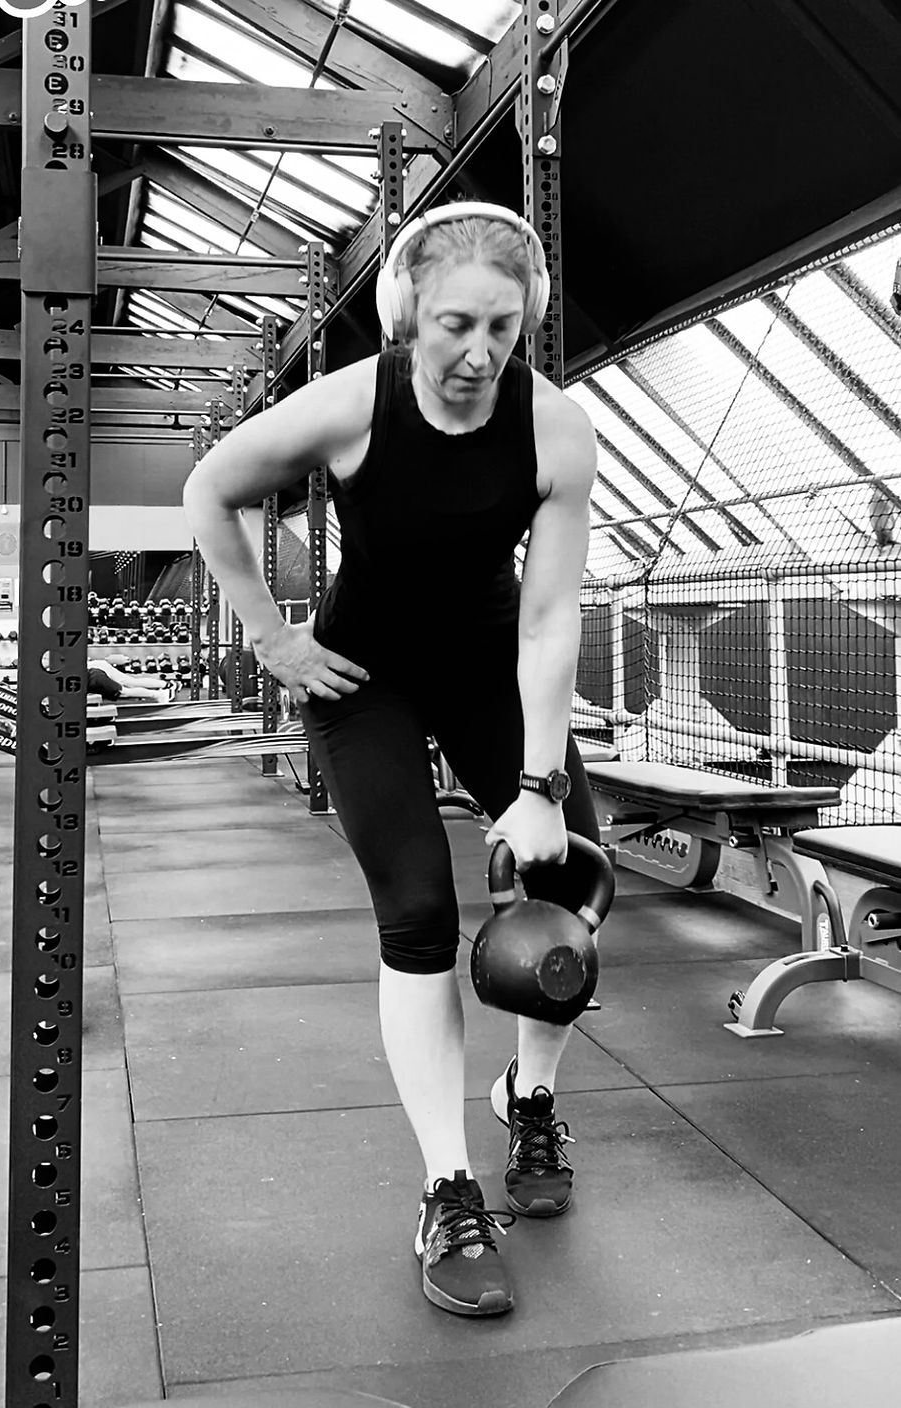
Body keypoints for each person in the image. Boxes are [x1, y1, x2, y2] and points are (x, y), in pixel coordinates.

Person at [183, 202, 600, 1319]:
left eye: (502, 329)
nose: (477, 353)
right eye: (456, 323)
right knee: (416, 909)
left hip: (482, 666)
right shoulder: (348, 404)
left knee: (571, 881)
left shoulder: (555, 429)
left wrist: (536, 787)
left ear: (528, 322)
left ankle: (531, 1096)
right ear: (409, 311)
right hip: (361, 678)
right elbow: (208, 490)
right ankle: (446, 1185)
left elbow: (549, 617)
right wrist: (271, 636)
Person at [86, 657, 176, 705]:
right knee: (130, 682)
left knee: (125, 690)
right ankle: (165, 685)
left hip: (94, 674)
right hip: (94, 667)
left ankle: (161, 694)